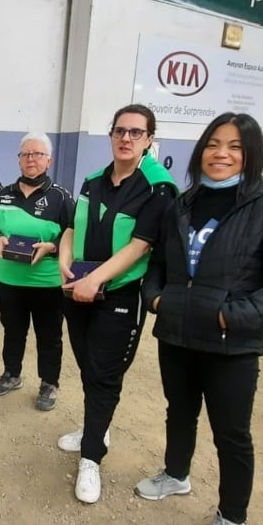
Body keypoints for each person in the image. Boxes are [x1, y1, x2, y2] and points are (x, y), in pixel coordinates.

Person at [134, 113, 263, 525]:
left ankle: (232, 517)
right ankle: (176, 474)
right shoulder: (182, 203)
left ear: (251, 155)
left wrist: (234, 316)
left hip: (233, 345)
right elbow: (158, 265)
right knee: (179, 411)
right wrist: (156, 300)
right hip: (176, 334)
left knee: (231, 433)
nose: (221, 154)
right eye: (213, 144)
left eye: (234, 146)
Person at [57, 104, 178, 504]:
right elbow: (73, 227)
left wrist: (96, 279)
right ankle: (98, 426)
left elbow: (140, 245)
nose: (126, 138)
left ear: (148, 140)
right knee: (88, 365)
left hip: (118, 295)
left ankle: (92, 457)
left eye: (136, 133)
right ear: (110, 135)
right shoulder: (92, 181)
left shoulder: (157, 188)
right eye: (120, 131)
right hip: (77, 289)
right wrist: (64, 263)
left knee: (106, 374)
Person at [0, 133, 74, 410]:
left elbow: (74, 235)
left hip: (46, 282)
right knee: (13, 331)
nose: (31, 159)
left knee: (49, 335)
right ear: (19, 159)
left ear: (49, 160)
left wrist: (53, 247)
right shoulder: (3, 193)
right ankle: (11, 374)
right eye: (26, 154)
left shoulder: (61, 197)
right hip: (8, 280)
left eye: (37, 154)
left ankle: (49, 384)